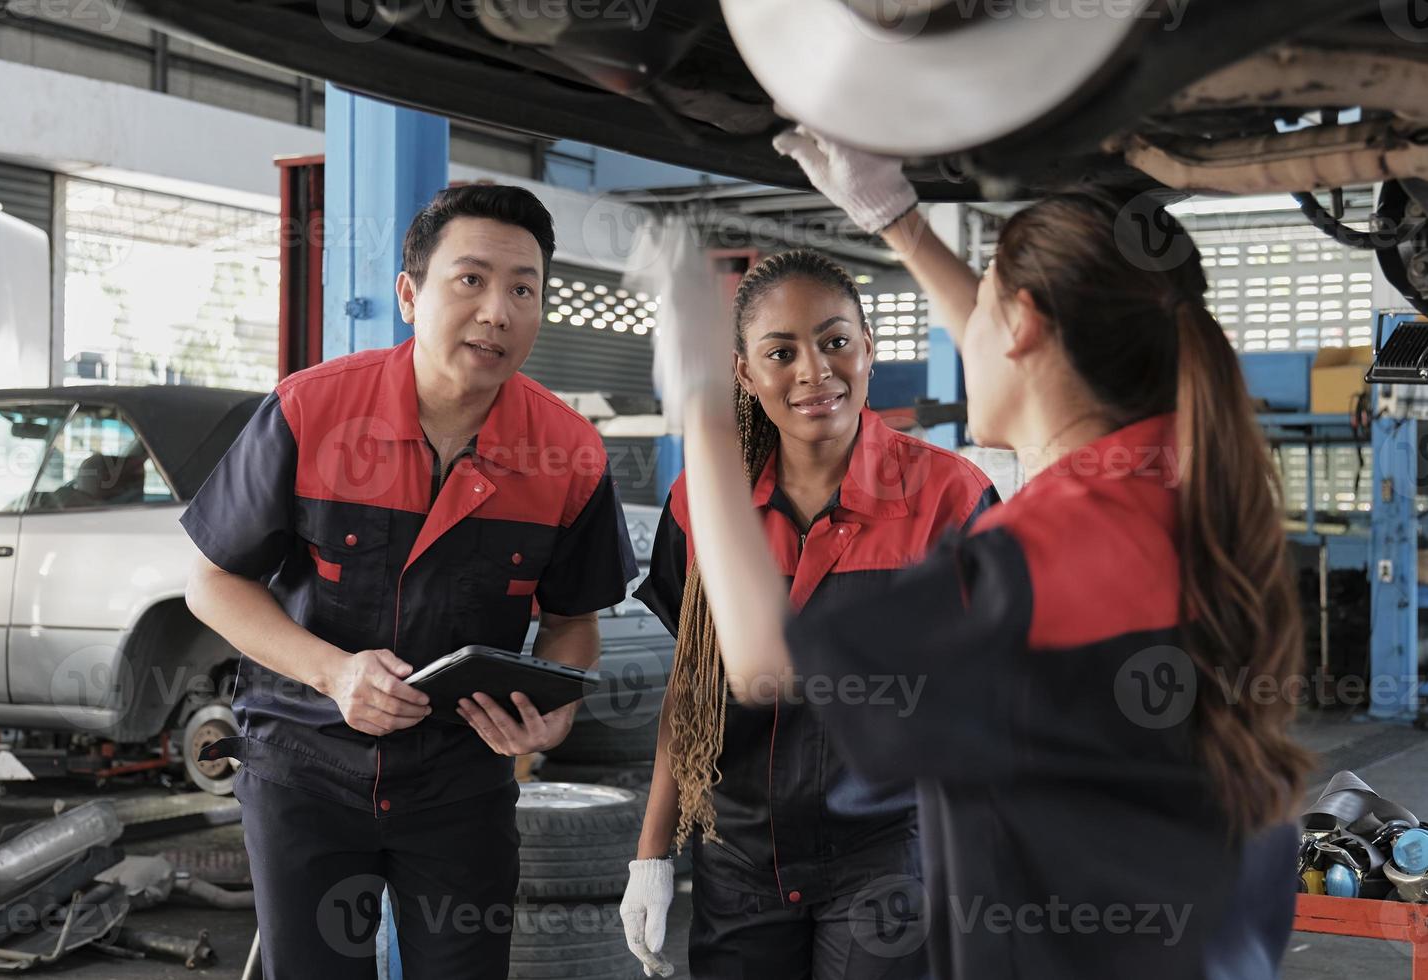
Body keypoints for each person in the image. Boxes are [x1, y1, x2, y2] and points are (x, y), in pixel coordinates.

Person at [649, 127, 1312, 979]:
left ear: (1025, 328)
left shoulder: (1035, 556)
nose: (967, 331)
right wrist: (899, 222)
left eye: (986, 304)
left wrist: (702, 402)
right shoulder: (1179, 474)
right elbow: (1039, 355)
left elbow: (764, 663)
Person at [181, 184, 638, 979]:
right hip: (305, 770)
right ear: (408, 294)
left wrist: (553, 718)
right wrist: (334, 672)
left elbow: (572, 624)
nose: (498, 310)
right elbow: (211, 582)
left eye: (523, 289)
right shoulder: (311, 412)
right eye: (471, 280)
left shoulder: (570, 455)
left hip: (461, 786)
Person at [618, 248, 997, 978]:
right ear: (743, 372)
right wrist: (651, 854)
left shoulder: (951, 499)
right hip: (737, 860)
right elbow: (690, 687)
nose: (814, 371)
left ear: (869, 349)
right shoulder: (702, 503)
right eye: (781, 351)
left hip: (888, 857)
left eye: (834, 341)